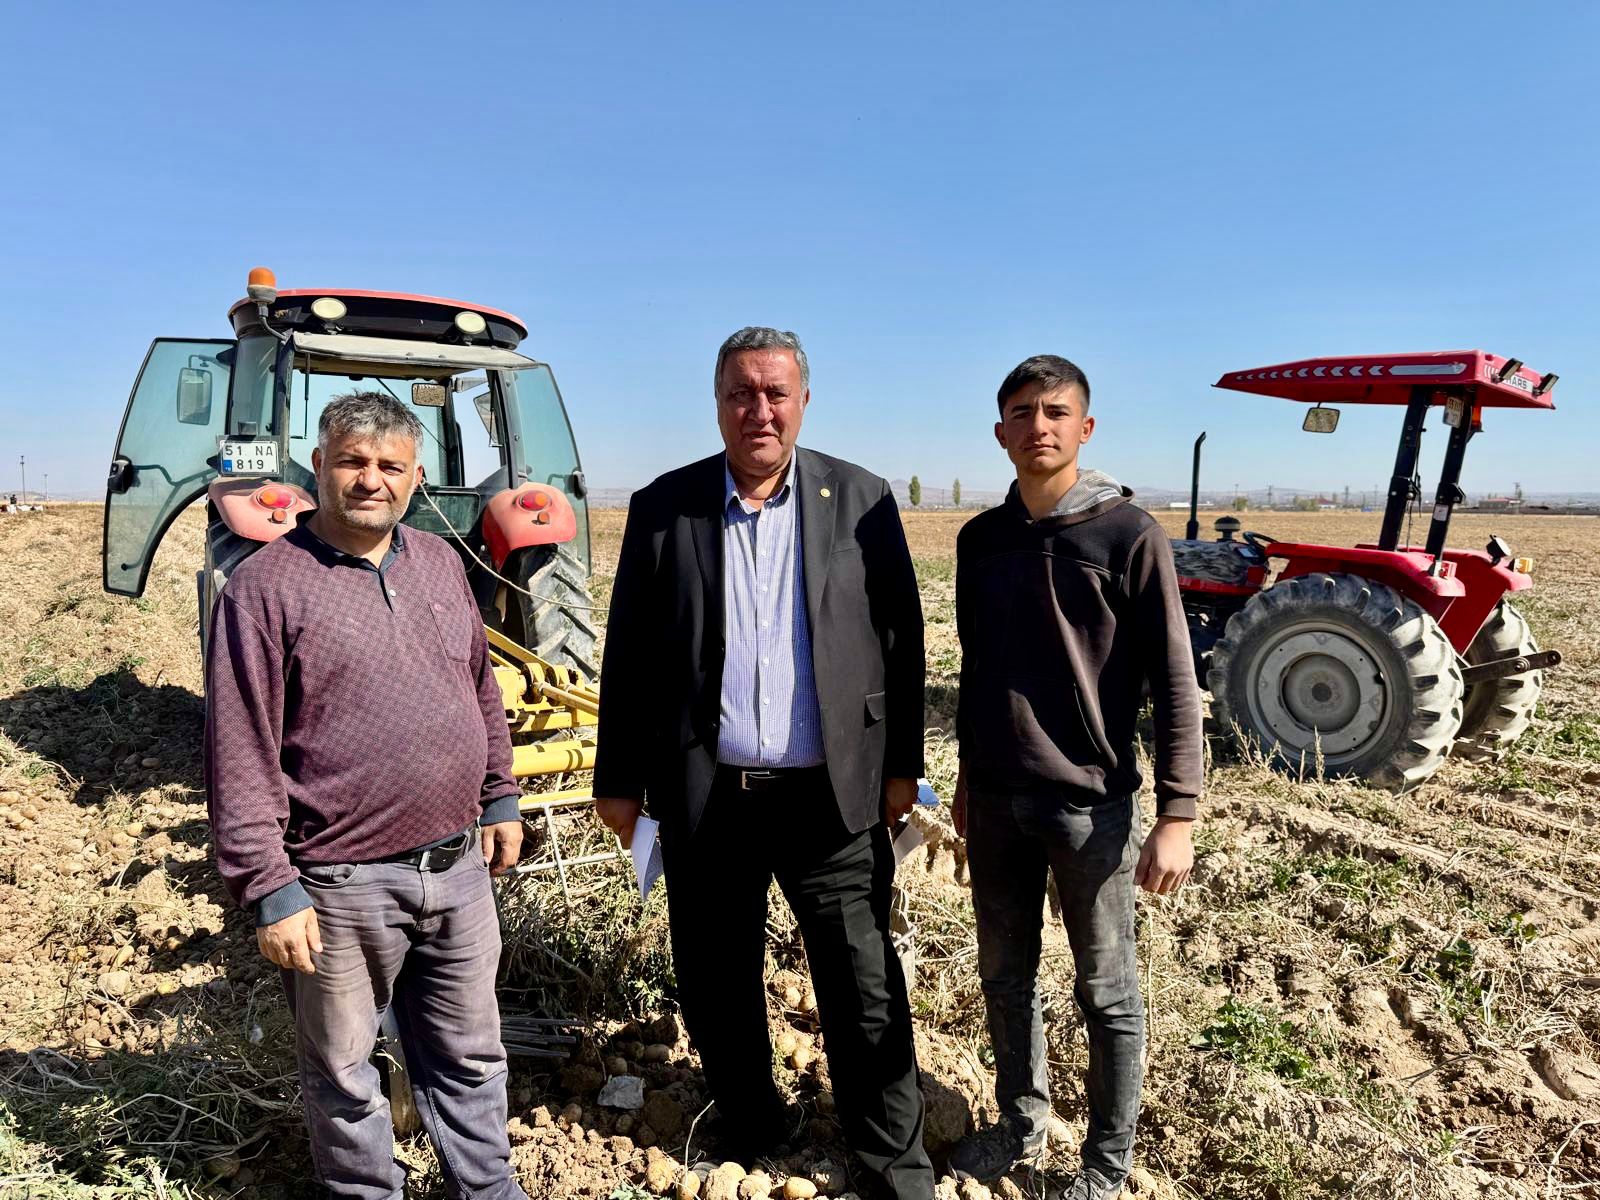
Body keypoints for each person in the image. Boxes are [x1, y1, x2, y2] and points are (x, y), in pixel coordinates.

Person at [592, 327, 934, 1199]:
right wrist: (617, 779)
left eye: (775, 393)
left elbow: (902, 640)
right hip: (711, 796)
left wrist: (902, 766)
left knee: (861, 983)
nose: (760, 410)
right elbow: (628, 648)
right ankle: (753, 1124)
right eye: (742, 393)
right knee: (714, 980)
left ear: (804, 401)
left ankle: (892, 1156)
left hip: (830, 794)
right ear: (717, 403)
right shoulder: (668, 507)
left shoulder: (858, 498)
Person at [205, 391, 528, 1200]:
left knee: (471, 1054)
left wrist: (498, 795)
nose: (370, 480)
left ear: (417, 479)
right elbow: (238, 746)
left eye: (390, 466)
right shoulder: (266, 588)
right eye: (352, 461)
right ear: (318, 467)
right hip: (338, 882)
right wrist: (271, 888)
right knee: (347, 1073)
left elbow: (480, 686)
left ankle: (486, 1191)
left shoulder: (440, 562)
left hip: (457, 869)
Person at [947, 356, 1202, 1200]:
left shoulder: (1129, 536)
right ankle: (1020, 1127)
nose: (1039, 426)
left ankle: (1104, 1165)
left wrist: (1178, 814)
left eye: (1056, 411)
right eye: (1021, 413)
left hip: (1091, 809)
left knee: (1108, 992)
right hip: (992, 801)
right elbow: (976, 669)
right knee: (1005, 977)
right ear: (1000, 433)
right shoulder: (979, 541)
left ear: (1085, 428)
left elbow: (1172, 683)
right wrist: (963, 779)